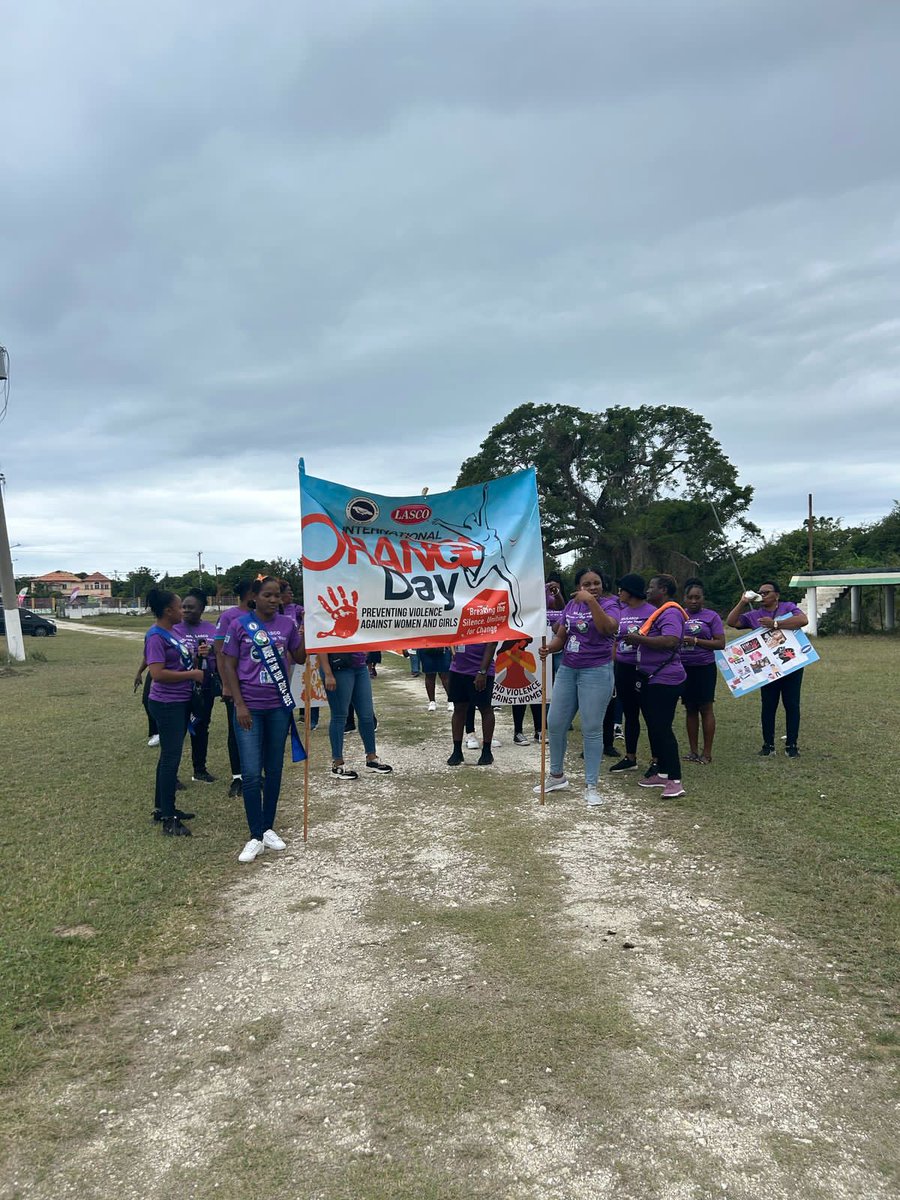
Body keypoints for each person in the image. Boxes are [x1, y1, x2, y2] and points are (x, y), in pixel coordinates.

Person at [219, 577, 307, 863]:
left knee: (274, 768)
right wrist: (239, 703)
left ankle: (268, 828)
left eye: (277, 596)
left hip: (278, 707)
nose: (273, 600)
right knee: (252, 772)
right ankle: (255, 835)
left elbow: (300, 657)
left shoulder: (287, 625)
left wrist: (308, 633)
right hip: (250, 708)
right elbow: (230, 665)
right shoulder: (240, 625)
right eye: (267, 595)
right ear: (254, 597)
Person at [536, 566, 618, 807]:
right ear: (579, 585)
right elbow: (562, 636)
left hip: (596, 671)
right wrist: (549, 648)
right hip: (568, 670)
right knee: (555, 722)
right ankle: (556, 776)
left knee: (591, 728)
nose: (593, 587)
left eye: (596, 583)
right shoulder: (572, 605)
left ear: (602, 585)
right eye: (587, 583)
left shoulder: (611, 604)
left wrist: (592, 602)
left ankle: (591, 785)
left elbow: (608, 628)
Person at [144, 588, 206, 837]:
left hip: (180, 702)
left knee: (167, 757)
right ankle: (168, 817)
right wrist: (192, 675)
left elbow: (178, 660)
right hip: (167, 703)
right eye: (180, 607)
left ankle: (162, 807)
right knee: (171, 759)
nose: (183, 611)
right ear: (168, 611)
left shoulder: (173, 631)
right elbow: (157, 673)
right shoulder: (156, 636)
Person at [622, 574, 687, 799]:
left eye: (652, 587)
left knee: (663, 729)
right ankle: (664, 772)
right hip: (652, 677)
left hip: (665, 679)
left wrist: (639, 640)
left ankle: (675, 780)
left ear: (664, 590)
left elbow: (671, 640)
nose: (648, 591)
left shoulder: (670, 613)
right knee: (656, 728)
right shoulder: (660, 612)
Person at [726, 581, 809, 757]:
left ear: (776, 595)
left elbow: (803, 620)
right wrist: (742, 601)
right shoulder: (755, 615)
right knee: (768, 706)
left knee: (792, 705)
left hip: (791, 664)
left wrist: (776, 624)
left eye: (766, 592)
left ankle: (791, 746)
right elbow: (732, 622)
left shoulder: (788, 607)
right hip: (767, 668)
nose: (762, 595)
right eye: (760, 593)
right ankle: (768, 746)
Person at [609, 574, 657, 774]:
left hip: (644, 669)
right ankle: (630, 757)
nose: (619, 592)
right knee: (629, 713)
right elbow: (614, 639)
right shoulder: (621, 612)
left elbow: (657, 639)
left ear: (632, 590)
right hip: (623, 667)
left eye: (622, 589)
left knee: (650, 715)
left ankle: (657, 759)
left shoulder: (652, 612)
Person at [320, 649, 393, 780]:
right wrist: (327, 672)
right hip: (338, 666)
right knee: (339, 715)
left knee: (367, 714)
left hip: (360, 666)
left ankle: (372, 758)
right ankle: (337, 763)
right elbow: (320, 643)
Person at [173, 588, 220, 784]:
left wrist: (210, 651)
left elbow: (221, 654)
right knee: (177, 731)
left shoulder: (211, 629)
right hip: (180, 687)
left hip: (204, 688)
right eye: (183, 607)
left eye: (191, 608)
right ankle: (171, 776)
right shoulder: (173, 628)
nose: (185, 611)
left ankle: (199, 770)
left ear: (202, 609)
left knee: (201, 728)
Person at [214, 580, 255, 798]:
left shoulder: (261, 616)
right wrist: (227, 684)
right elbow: (220, 653)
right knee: (236, 731)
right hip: (236, 684)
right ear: (250, 593)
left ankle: (256, 774)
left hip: (258, 684)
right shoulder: (229, 617)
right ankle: (238, 777)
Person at [681, 578, 726, 764]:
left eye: (697, 597)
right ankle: (693, 751)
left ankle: (706, 753)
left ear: (703, 598)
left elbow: (720, 643)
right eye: (690, 597)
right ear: (684, 598)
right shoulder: (678, 615)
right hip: (684, 667)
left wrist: (697, 641)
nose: (693, 601)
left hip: (704, 667)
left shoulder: (711, 616)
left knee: (705, 708)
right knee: (690, 708)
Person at [447, 643, 499, 766]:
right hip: (458, 669)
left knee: (485, 708)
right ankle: (457, 751)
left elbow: (491, 645)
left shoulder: (487, 623)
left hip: (480, 670)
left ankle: (487, 750)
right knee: (459, 708)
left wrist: (482, 671)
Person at [419, 646, 453, 712]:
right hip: (426, 647)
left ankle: (451, 700)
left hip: (443, 647)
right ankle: (432, 701)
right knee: (429, 675)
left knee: (445, 675)